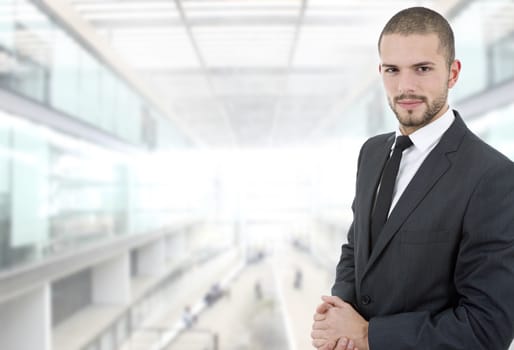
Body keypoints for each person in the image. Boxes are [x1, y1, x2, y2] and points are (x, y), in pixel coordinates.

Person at [311, 6, 514, 350]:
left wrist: (367, 335)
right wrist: (337, 313)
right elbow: (356, 248)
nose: (405, 86)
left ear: (453, 73)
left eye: (422, 69)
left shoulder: (493, 177)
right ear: (381, 72)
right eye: (393, 70)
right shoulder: (372, 153)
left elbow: (487, 327)